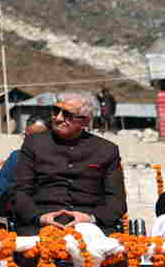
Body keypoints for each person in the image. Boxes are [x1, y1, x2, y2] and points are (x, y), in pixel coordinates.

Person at [12, 93, 126, 236]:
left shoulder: (107, 150)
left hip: (92, 225)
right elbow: (20, 192)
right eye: (56, 111)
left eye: (67, 114)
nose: (58, 118)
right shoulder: (34, 144)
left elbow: (116, 199)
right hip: (41, 224)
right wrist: (40, 218)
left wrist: (90, 219)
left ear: (85, 121)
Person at [0, 115, 48, 220]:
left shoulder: (59, 159)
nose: (32, 142)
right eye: (28, 137)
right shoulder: (16, 158)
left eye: (38, 137)